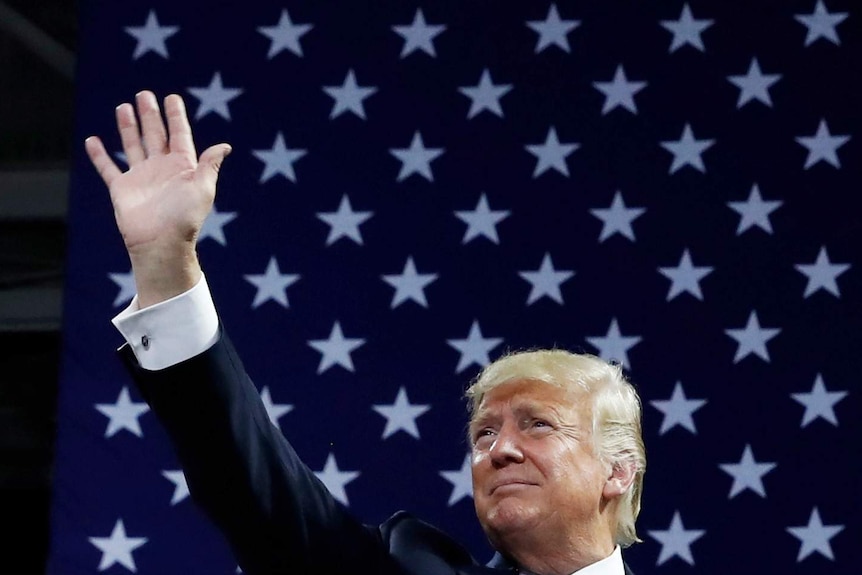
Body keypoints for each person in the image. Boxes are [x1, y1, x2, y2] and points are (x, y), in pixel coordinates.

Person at [85, 90, 647, 575]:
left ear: (618, 470)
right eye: (483, 435)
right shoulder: (406, 564)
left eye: (538, 425)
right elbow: (260, 492)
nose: (499, 452)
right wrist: (166, 264)